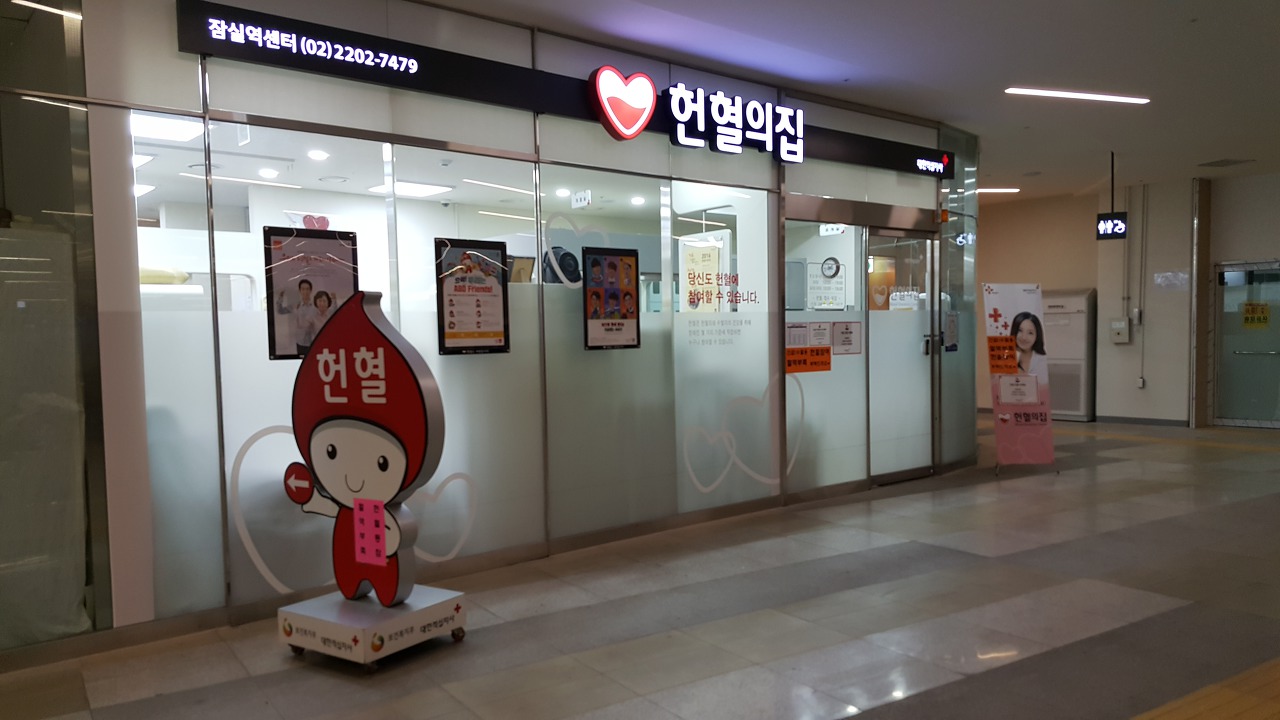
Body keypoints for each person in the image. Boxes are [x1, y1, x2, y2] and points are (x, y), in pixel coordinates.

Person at [276, 278, 320, 356]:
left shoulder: (316, 306)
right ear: (300, 291)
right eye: (303, 289)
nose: (305, 292)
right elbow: (280, 311)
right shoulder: (295, 306)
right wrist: (281, 297)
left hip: (314, 341)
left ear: (311, 290)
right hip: (300, 342)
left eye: (307, 289)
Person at [1010, 311, 1049, 384]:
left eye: (1030, 333)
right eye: (1020, 331)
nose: (1024, 337)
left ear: (1037, 336)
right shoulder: (1005, 357)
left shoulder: (1042, 359)